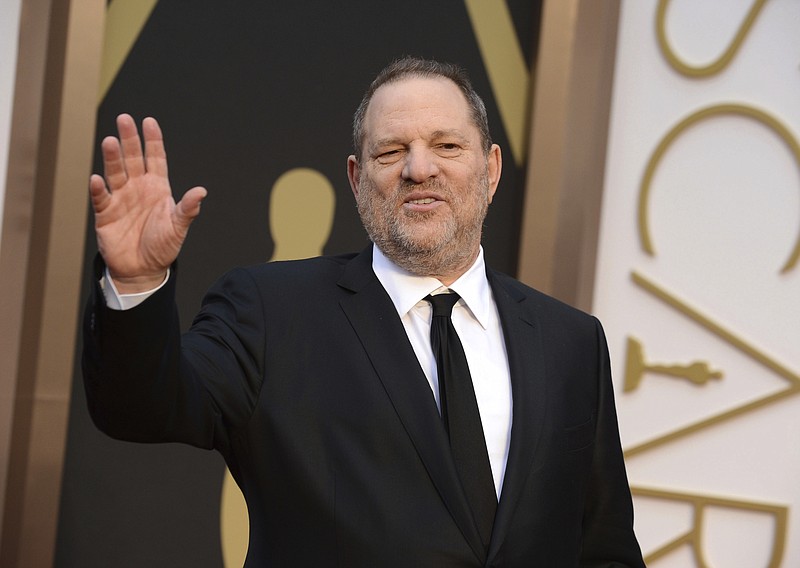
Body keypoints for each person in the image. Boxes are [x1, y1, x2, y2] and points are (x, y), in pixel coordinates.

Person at [83, 57, 645, 567]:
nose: (419, 169)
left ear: (491, 169)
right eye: (390, 151)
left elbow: (604, 547)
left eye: (446, 146)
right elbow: (140, 406)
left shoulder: (570, 341)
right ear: (356, 178)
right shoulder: (271, 312)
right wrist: (135, 282)